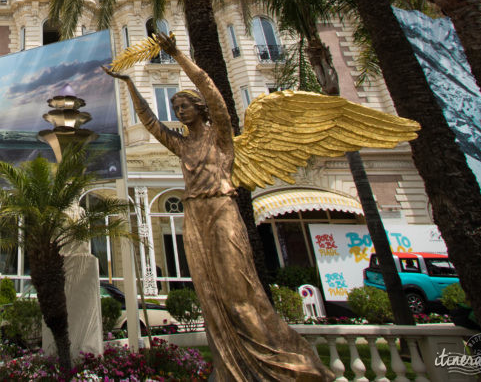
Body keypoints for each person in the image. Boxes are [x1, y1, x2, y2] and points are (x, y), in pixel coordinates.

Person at [104, 33, 332, 381]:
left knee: (239, 292)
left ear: (200, 109)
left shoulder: (220, 137)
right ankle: (230, 367)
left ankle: (275, 362)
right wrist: (130, 84)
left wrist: (177, 53)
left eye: (185, 106)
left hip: (222, 209)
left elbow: (209, 87)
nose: (179, 111)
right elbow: (150, 122)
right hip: (195, 216)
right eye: (176, 107)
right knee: (211, 295)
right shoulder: (182, 145)